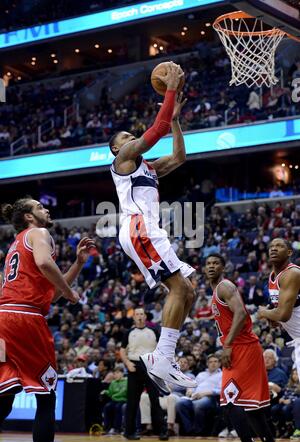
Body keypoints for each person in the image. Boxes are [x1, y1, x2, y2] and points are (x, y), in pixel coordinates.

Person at [110, 62, 196, 394]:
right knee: (179, 290)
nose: (132, 139)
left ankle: (163, 357)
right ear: (118, 147)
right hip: (137, 227)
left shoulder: (148, 167)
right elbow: (155, 129)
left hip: (147, 228)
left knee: (188, 290)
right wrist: (171, 89)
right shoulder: (124, 160)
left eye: (132, 137)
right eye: (127, 138)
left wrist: (176, 121)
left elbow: (179, 157)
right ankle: (161, 358)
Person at [0, 198, 95, 442]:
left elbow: (50, 295)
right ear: (29, 217)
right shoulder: (38, 232)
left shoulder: (16, 244)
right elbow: (45, 263)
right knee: (46, 398)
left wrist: (78, 264)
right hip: (25, 319)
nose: (47, 209)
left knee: (5, 395)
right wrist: (72, 292)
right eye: (40, 207)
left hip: (4, 320)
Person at [205, 253, 275, 442]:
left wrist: (226, 345)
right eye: (208, 263)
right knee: (250, 407)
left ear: (223, 268)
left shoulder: (225, 286)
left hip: (243, 348)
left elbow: (242, 314)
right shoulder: (215, 291)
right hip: (239, 348)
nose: (211, 266)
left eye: (216, 263)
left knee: (229, 402)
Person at [120, 308, 168, 440]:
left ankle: (162, 431)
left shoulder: (153, 331)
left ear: (145, 316)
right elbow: (122, 350)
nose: (140, 316)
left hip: (151, 367)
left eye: (142, 314)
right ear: (134, 317)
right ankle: (129, 432)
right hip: (134, 367)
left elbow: (161, 348)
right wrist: (128, 364)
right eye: (137, 314)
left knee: (154, 400)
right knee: (132, 402)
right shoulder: (129, 333)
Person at [258, 238, 300, 379]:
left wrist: (264, 312)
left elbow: (283, 315)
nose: (274, 249)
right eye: (271, 246)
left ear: (289, 252)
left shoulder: (292, 273)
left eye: (279, 246)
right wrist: (272, 316)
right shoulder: (272, 276)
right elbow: (280, 312)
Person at [175, 354, 222, 436]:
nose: (213, 363)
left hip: (210, 398)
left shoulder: (222, 375)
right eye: (210, 362)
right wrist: (190, 390)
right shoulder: (201, 374)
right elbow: (193, 385)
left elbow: (222, 390)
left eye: (215, 361)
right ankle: (189, 430)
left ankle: (198, 431)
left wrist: (205, 393)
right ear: (207, 364)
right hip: (194, 396)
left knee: (198, 404)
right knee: (180, 403)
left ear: (219, 364)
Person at [102, 366, 128, 435]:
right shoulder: (113, 382)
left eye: (117, 373)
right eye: (114, 373)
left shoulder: (126, 381)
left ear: (122, 373)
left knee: (118, 407)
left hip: (123, 400)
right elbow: (110, 393)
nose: (115, 375)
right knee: (107, 407)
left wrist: (114, 395)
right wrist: (105, 392)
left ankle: (117, 428)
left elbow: (124, 392)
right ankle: (107, 428)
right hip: (114, 400)